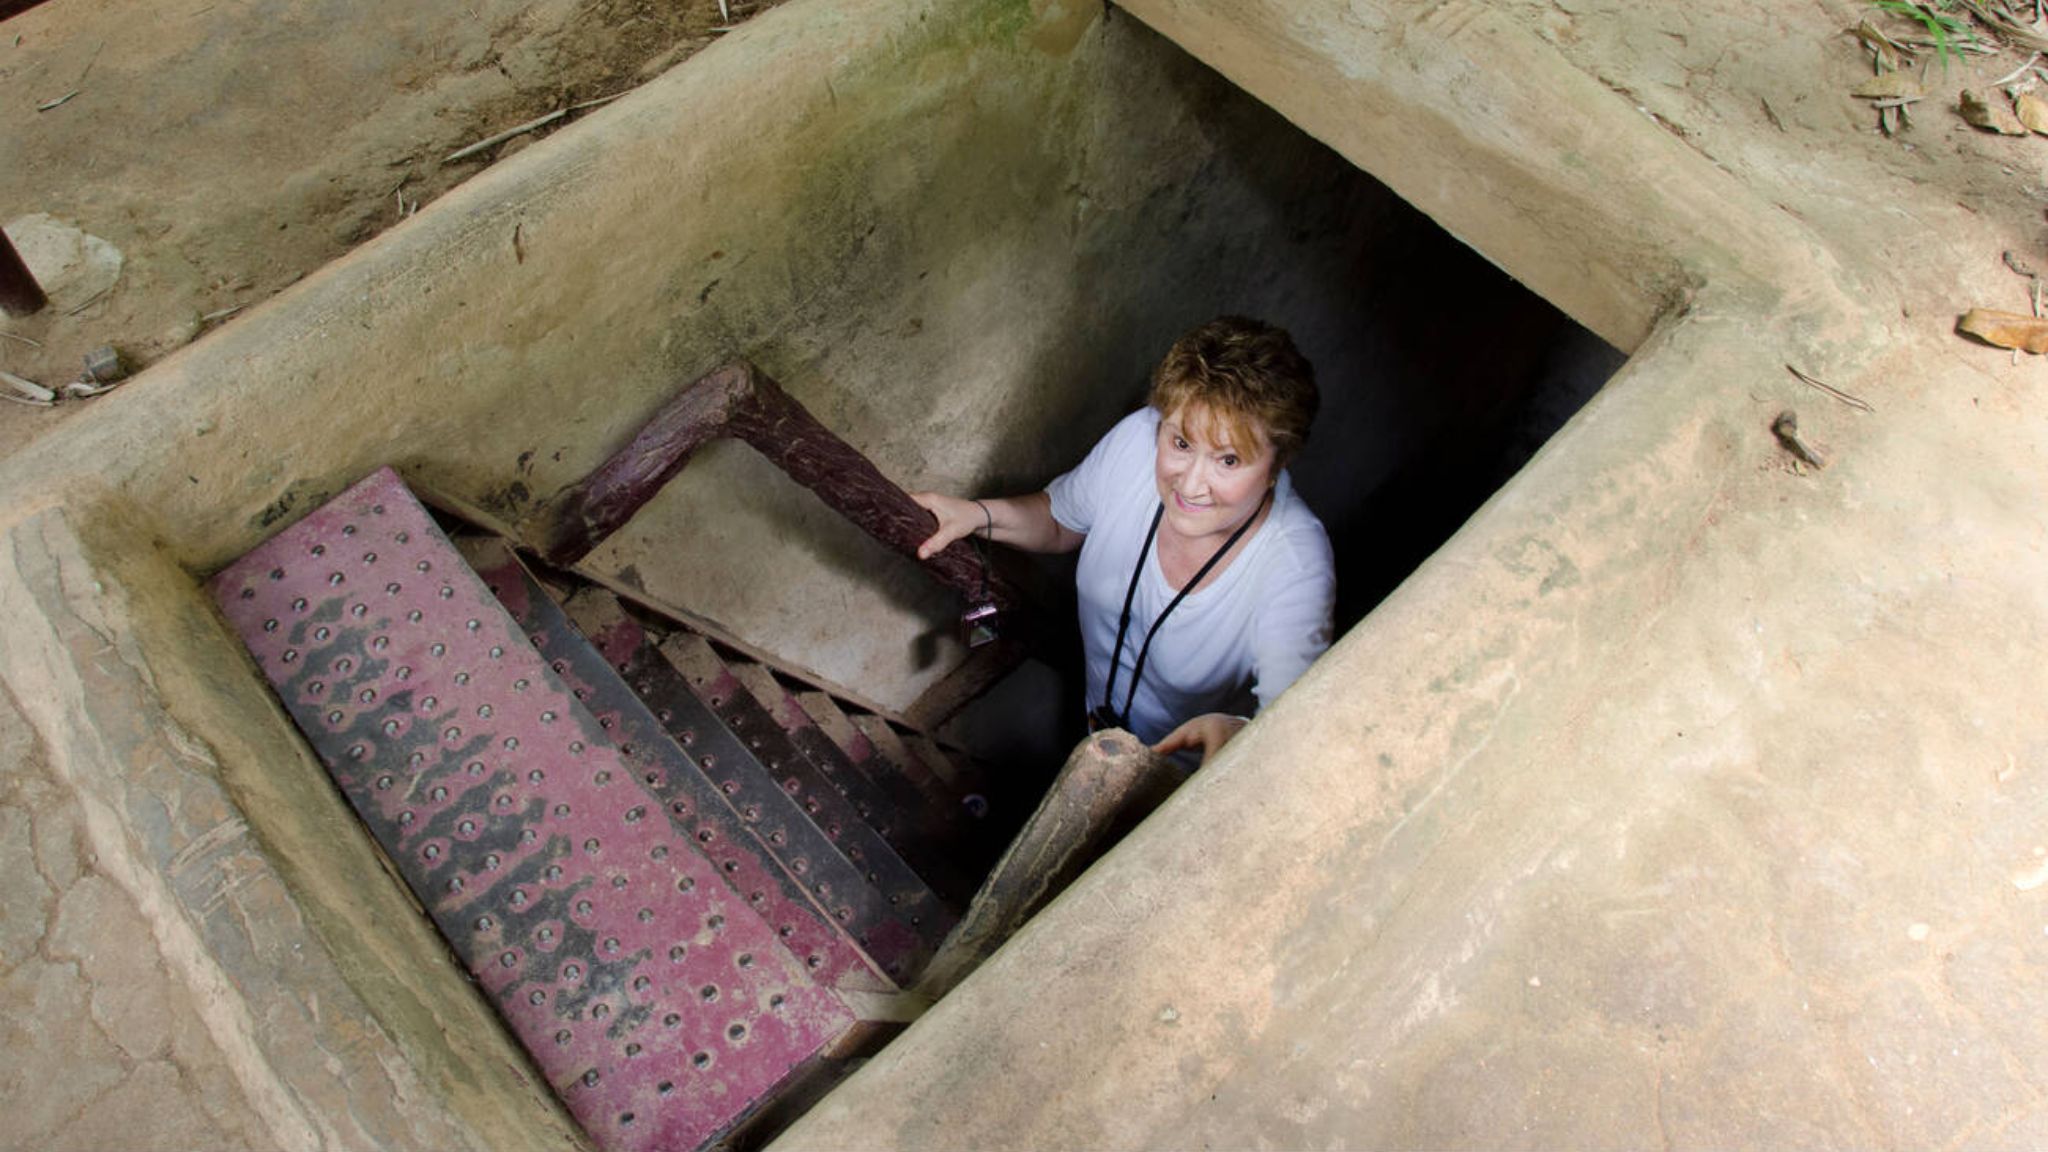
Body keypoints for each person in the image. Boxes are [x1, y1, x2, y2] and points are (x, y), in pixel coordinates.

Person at [913, 316, 1335, 766]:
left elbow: (1293, 728)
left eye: (1228, 460)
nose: (1190, 485)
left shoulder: (1295, 565)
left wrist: (1242, 733)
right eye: (1181, 443)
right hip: (1096, 729)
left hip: (1176, 783)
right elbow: (1060, 520)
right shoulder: (1138, 438)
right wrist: (976, 515)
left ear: (1277, 466)